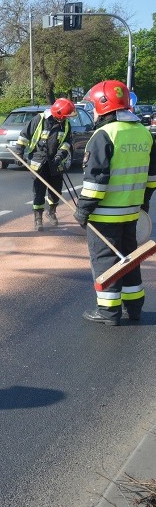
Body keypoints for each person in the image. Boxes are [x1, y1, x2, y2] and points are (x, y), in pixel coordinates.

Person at [73, 80, 156, 325]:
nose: (93, 111)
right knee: (129, 261)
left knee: (106, 261)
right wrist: (143, 207)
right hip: (131, 213)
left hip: (105, 216)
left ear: (103, 105)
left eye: (94, 106)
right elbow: (152, 178)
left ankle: (109, 312)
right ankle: (134, 307)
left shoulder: (104, 135)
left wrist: (83, 210)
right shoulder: (143, 132)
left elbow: (96, 182)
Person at [14, 98, 77, 231]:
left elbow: (66, 143)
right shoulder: (39, 120)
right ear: (59, 113)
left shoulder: (65, 124)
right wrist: (19, 153)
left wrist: (60, 156)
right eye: (65, 116)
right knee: (39, 191)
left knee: (56, 190)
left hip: (56, 162)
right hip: (39, 161)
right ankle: (38, 219)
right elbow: (24, 136)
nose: (66, 118)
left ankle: (52, 212)